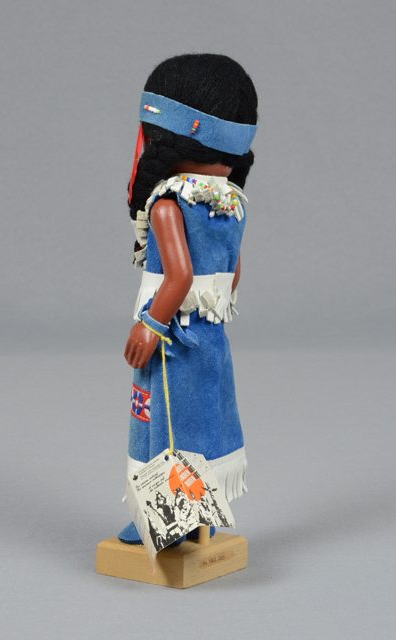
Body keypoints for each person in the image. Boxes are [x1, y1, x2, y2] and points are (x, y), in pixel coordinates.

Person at [118, 53, 258, 545]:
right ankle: (200, 517)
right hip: (211, 337)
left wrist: (150, 326)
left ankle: (165, 520)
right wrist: (211, 310)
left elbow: (177, 276)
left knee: (161, 422)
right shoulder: (231, 202)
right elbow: (232, 272)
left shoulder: (169, 201)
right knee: (206, 422)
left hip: (172, 339)